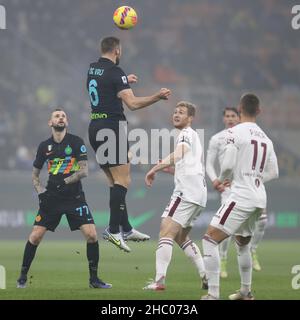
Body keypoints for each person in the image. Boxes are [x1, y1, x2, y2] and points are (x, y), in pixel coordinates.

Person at [87, 36, 171, 253]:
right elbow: (132, 104)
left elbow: (107, 86)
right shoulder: (116, 72)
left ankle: (125, 227)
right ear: (117, 50)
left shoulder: (93, 69)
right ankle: (114, 231)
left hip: (96, 126)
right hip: (111, 128)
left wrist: (125, 81)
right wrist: (157, 96)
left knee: (114, 181)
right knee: (123, 180)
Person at [16, 109, 111, 289]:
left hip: (74, 197)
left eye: (63, 116)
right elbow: (35, 175)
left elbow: (84, 171)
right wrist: (40, 191)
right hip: (51, 198)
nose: (61, 118)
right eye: (56, 116)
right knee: (35, 236)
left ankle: (94, 280)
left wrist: (64, 182)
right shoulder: (44, 146)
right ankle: (22, 276)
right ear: (50, 123)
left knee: (91, 235)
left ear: (67, 122)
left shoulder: (76, 142)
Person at [201, 94, 279, 300]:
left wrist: (220, 180)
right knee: (243, 243)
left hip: (241, 195)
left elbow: (227, 164)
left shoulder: (234, 132)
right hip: (258, 198)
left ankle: (213, 294)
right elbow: (275, 172)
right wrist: (255, 179)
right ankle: (245, 292)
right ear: (259, 111)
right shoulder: (266, 139)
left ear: (240, 109)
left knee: (209, 239)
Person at [143, 101, 207, 291]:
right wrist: (171, 170)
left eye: (181, 112)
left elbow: (178, 154)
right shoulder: (194, 136)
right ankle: (206, 276)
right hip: (198, 194)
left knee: (165, 231)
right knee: (180, 236)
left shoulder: (186, 134)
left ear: (190, 118)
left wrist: (154, 168)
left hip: (186, 193)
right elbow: (190, 166)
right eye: (175, 112)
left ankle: (159, 281)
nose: (176, 114)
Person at [207, 108, 267, 276]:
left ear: (239, 117)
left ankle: (253, 250)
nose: (231, 118)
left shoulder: (244, 136)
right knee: (226, 229)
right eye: (227, 116)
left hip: (247, 184)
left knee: (261, 220)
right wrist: (216, 180)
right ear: (223, 118)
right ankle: (224, 259)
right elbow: (209, 164)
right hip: (228, 188)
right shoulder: (217, 138)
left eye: (234, 116)